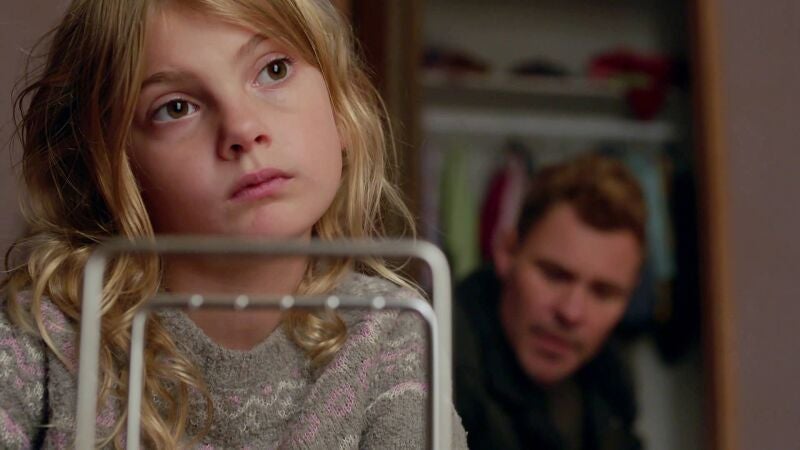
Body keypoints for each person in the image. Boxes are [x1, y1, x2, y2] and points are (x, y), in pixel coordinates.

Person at [0, 0, 468, 448]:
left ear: (342, 105)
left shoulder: (388, 332)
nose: (242, 129)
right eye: (176, 107)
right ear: (110, 167)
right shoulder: (42, 335)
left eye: (274, 70)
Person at [454, 154, 646, 450]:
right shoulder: (433, 367)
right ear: (507, 252)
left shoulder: (611, 388)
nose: (571, 312)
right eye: (554, 275)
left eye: (603, 292)